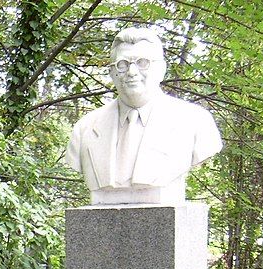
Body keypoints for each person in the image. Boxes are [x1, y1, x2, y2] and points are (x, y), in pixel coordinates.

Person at [66, 28, 222, 204]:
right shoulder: (84, 129)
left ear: (162, 69)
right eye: (122, 64)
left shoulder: (196, 122)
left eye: (142, 62)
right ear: (112, 72)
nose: (132, 72)